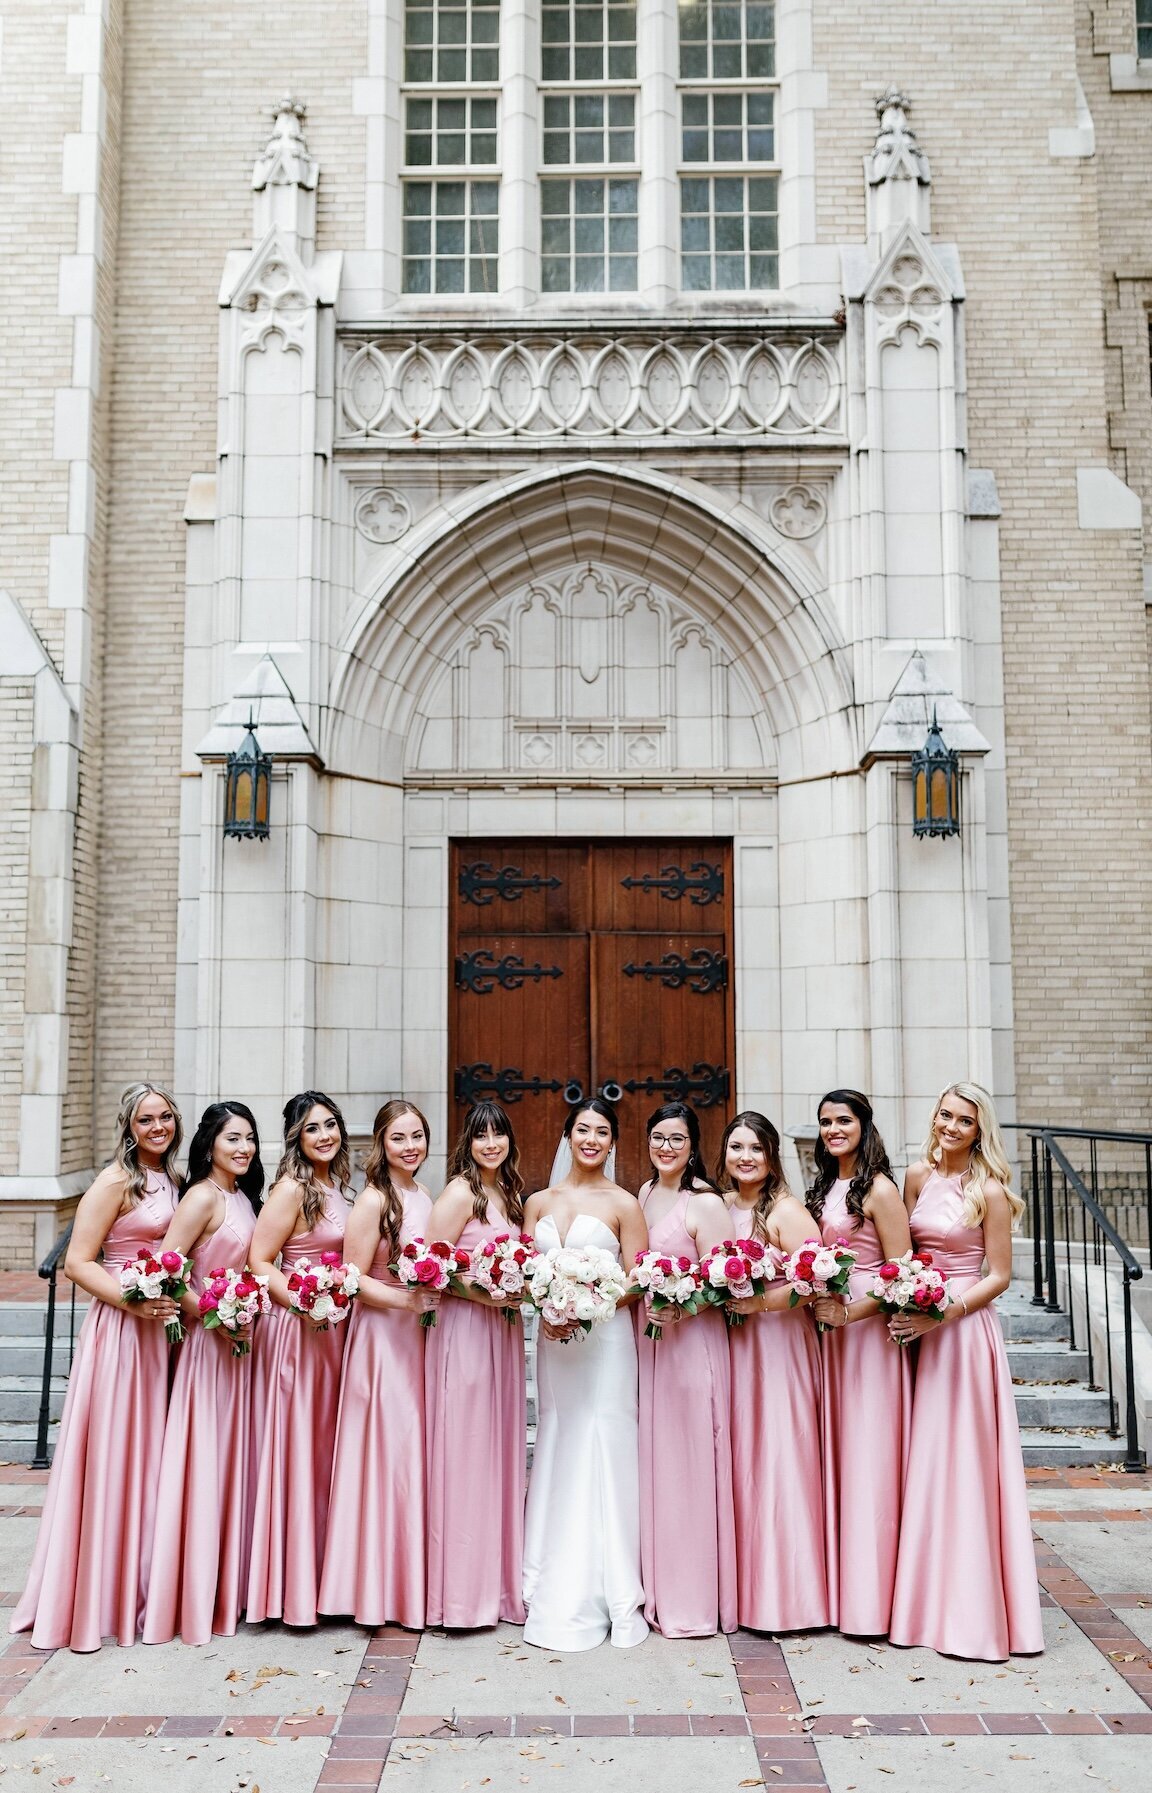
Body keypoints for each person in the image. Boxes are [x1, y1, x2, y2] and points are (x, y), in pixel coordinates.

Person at [12, 1083, 183, 1651]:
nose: (157, 1127)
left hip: (161, 1335)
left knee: (152, 1457)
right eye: (145, 1120)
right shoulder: (115, 1182)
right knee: (117, 1454)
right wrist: (131, 1299)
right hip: (122, 1331)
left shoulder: (174, 1181)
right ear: (128, 1128)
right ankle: (97, 1594)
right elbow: (79, 1263)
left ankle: (142, 1583)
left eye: (164, 1117)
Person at [888, 1082, 1044, 1660]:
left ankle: (973, 1608)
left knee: (965, 1462)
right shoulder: (915, 1179)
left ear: (981, 1131)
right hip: (918, 1324)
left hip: (962, 1331)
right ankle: (922, 1603)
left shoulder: (991, 1192)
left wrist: (943, 1315)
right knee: (925, 1459)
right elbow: (901, 1253)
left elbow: (998, 1275)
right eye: (946, 1116)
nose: (952, 1127)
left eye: (965, 1121)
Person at [521, 1096, 649, 1651]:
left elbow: (639, 1280)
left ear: (612, 1142)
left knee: (603, 1437)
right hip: (555, 1343)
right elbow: (527, 1270)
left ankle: (611, 1584)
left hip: (606, 1343)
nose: (591, 1139)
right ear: (567, 1137)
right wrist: (547, 1309)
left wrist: (588, 1306)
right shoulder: (537, 1202)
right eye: (582, 1130)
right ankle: (546, 1570)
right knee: (561, 1432)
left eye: (601, 1132)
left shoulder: (624, 1204)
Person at [143, 1101, 265, 1645]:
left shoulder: (242, 1197)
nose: (243, 1149)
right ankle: (192, 1593)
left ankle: (229, 1586)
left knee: (234, 1463)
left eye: (250, 1139)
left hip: (240, 1346)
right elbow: (167, 1271)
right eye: (232, 1139)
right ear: (210, 1143)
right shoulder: (201, 1197)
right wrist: (216, 1315)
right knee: (205, 1463)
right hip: (208, 1348)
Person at [319, 1100, 439, 1629]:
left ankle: (406, 1579)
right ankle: (371, 1587)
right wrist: (403, 1301)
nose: (410, 1146)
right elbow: (352, 1278)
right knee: (384, 1453)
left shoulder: (424, 1195)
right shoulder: (373, 1201)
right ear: (380, 1145)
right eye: (399, 1138)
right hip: (381, 1337)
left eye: (417, 1136)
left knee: (410, 1454)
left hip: (417, 1337)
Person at [719, 1109, 830, 1633]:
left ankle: (789, 1595)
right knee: (741, 1459)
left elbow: (818, 1278)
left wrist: (762, 1304)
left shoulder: (786, 1211)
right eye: (736, 1147)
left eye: (755, 1149)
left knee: (780, 1455)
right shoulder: (718, 1207)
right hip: (733, 1346)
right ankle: (742, 1591)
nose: (745, 1158)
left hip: (779, 1346)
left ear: (771, 1156)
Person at [808, 1088, 912, 1637]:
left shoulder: (880, 1190)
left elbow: (904, 1272)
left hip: (867, 1336)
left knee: (870, 1457)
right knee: (840, 1456)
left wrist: (853, 1314)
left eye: (842, 1120)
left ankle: (873, 1602)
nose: (832, 1130)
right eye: (824, 1122)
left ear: (865, 1125)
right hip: (831, 1334)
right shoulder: (827, 1186)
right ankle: (841, 1590)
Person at [246, 1090, 352, 1627]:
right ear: (296, 1138)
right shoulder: (292, 1189)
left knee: (328, 1452)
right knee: (299, 1449)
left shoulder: (339, 1188)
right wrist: (303, 1301)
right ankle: (290, 1587)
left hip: (336, 1333)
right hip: (299, 1332)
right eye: (313, 1128)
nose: (325, 1135)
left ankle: (327, 1575)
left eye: (331, 1124)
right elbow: (260, 1260)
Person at [424, 1100, 528, 1628]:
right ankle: (461, 1596)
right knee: (466, 1450)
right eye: (482, 1135)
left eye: (499, 1135)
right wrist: (483, 1295)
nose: (491, 1144)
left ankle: (500, 1585)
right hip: (466, 1330)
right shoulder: (460, 1192)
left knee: (498, 1449)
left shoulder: (509, 1194)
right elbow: (431, 1269)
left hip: (502, 1332)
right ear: (467, 1141)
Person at [636, 1101, 737, 1637]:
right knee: (657, 1463)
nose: (666, 1148)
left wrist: (683, 1307)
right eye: (658, 1137)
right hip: (651, 1347)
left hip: (692, 1346)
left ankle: (694, 1597)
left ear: (692, 1144)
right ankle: (656, 1583)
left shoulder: (706, 1203)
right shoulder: (645, 1195)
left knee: (691, 1462)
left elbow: (724, 1284)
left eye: (676, 1139)